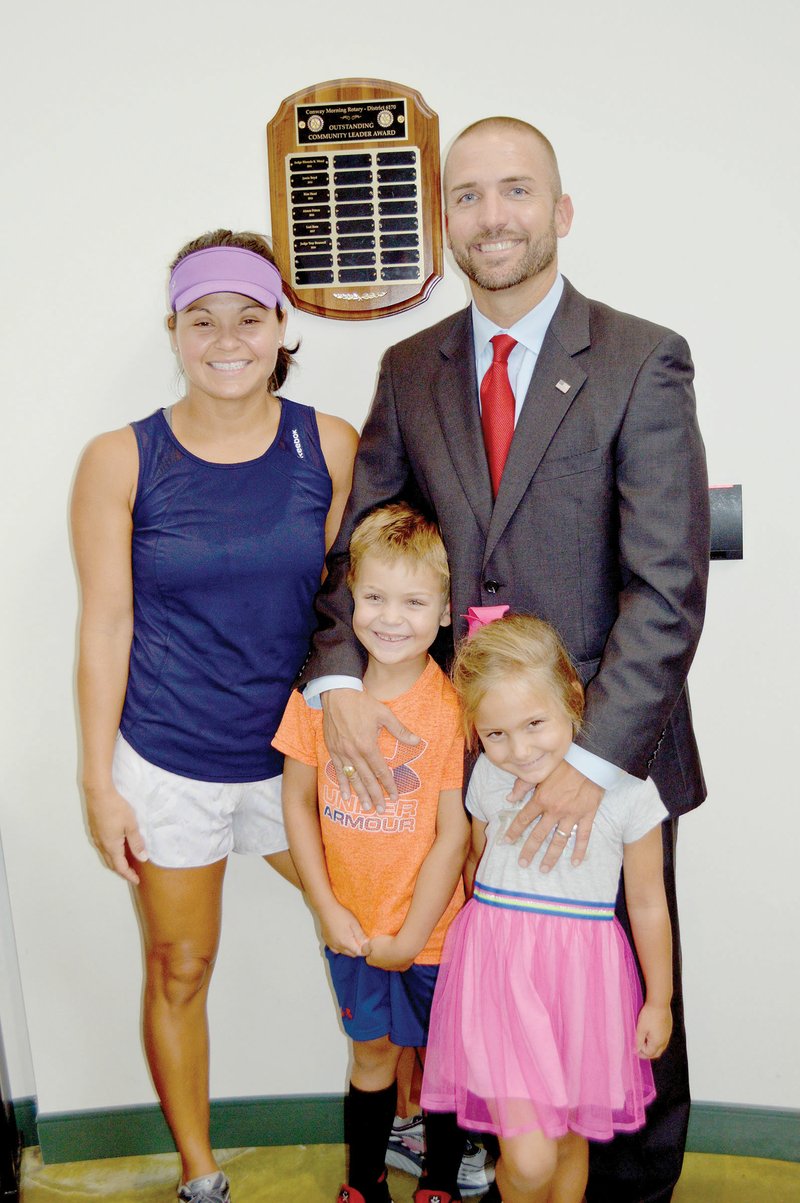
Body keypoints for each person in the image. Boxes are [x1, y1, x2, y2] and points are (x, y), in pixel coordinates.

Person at [303, 117, 710, 1202]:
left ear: (559, 212)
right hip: (463, 756)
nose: (493, 216)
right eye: (470, 196)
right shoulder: (408, 366)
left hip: (603, 766)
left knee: (620, 1012)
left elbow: (666, 588)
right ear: (446, 222)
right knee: (499, 995)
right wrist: (339, 681)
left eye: (516, 191)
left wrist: (595, 764)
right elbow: (359, 547)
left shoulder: (639, 358)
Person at [70, 229, 358, 1203]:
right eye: (203, 320)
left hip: (296, 764)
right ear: (175, 331)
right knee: (180, 966)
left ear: (281, 327)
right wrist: (96, 781)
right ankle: (200, 1174)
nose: (225, 338)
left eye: (248, 316)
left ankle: (400, 1120)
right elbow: (105, 624)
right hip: (169, 761)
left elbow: (343, 610)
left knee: (378, 929)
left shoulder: (325, 443)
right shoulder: (120, 458)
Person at [421, 612, 673, 1203]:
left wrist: (658, 1000)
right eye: (497, 734)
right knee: (530, 1162)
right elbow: (478, 863)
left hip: (584, 987)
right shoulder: (486, 776)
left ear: (573, 702)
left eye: (535, 723)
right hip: (502, 981)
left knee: (567, 1142)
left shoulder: (628, 793)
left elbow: (647, 903)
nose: (519, 748)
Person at [273, 504, 471, 1203]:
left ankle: (441, 1183)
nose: (392, 617)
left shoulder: (450, 710)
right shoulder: (322, 698)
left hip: (434, 934)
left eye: (415, 601)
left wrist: (415, 933)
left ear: (446, 611)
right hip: (350, 928)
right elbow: (295, 802)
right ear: (350, 595)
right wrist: (326, 908)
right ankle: (363, 1184)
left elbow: (454, 833)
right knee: (371, 1056)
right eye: (375, 597)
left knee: (445, 1062)